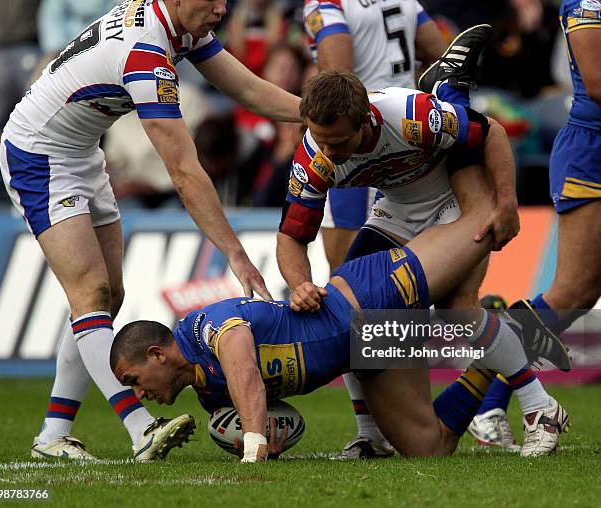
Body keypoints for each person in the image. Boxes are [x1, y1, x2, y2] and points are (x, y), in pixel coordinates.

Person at [0, 0, 300, 461]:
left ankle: (53, 435)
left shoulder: (182, 25)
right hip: (38, 153)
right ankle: (142, 430)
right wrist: (237, 256)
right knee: (92, 293)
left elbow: (249, 89)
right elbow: (183, 171)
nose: (222, 7)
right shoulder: (145, 53)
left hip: (80, 153)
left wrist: (316, 116)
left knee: (106, 299)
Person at [110, 169, 570, 462]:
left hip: (365, 295)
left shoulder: (204, 328)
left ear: (157, 354)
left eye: (133, 379)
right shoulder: (210, 399)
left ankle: (538, 406)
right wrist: (267, 437)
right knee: (429, 448)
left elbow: (246, 372)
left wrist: (251, 444)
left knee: (480, 229)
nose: (138, 393)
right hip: (363, 349)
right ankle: (496, 355)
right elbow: (274, 414)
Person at [302, 0, 448, 458]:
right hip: (410, 135)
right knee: (419, 298)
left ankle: (372, 430)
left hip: (358, 150)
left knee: (348, 296)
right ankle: (486, 407)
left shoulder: (328, 5)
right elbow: (438, 52)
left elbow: (335, 78)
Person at [468, 0, 601, 449]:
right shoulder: (585, 3)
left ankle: (487, 400)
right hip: (592, 155)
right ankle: (487, 400)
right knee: (571, 293)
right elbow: (598, 83)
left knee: (576, 294)